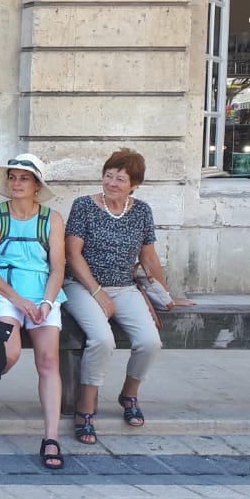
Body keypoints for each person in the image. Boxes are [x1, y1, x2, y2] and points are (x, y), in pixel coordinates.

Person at [60, 148, 194, 447]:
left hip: (124, 286)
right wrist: (97, 292)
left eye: (120, 179)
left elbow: (148, 258)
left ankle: (129, 394)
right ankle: (85, 407)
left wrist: (165, 294)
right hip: (81, 285)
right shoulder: (84, 206)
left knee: (149, 342)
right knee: (101, 340)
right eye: (108, 176)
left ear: (134, 184)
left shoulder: (142, 211)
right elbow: (72, 253)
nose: (112, 183)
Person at [0, 154, 67, 469]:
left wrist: (46, 302)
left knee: (49, 362)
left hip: (43, 295)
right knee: (7, 354)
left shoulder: (52, 219)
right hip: (6, 293)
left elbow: (58, 268)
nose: (16, 183)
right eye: (13, 177)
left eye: (24, 178)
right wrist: (19, 300)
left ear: (37, 185)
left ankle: (51, 437)